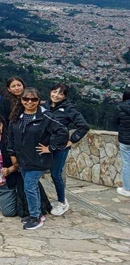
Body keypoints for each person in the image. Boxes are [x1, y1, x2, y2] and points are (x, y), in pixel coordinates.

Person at [8, 87, 68, 230]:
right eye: (26, 99)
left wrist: (51, 147)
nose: (30, 102)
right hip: (23, 159)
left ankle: (36, 217)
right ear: (21, 100)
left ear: (38, 101)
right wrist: (12, 154)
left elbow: (63, 132)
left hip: (39, 159)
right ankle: (36, 213)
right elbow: (10, 137)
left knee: (30, 186)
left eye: (33, 99)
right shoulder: (16, 117)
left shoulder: (46, 117)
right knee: (30, 187)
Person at [44, 83, 89, 215]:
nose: (56, 95)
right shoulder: (44, 106)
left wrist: (72, 140)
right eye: (54, 91)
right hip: (46, 146)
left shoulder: (69, 109)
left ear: (64, 96)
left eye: (60, 93)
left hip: (60, 147)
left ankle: (62, 202)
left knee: (56, 174)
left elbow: (83, 126)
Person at [114, 87, 130, 197]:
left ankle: (127, 188)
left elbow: (115, 121)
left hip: (125, 140)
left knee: (127, 164)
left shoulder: (120, 107)